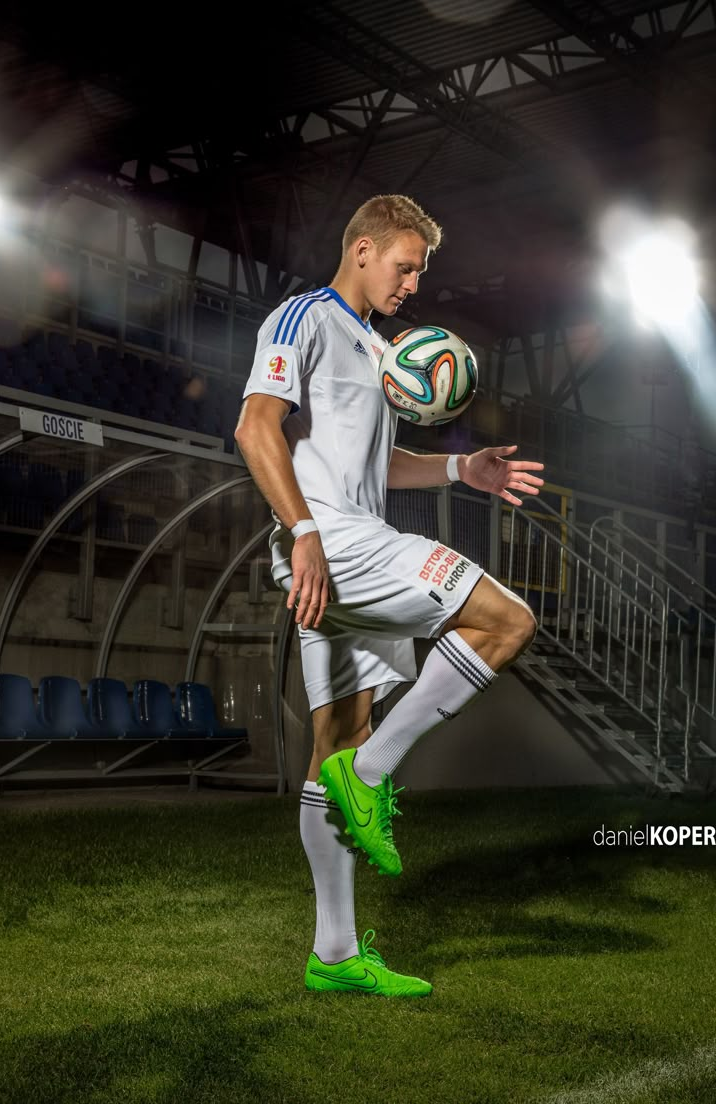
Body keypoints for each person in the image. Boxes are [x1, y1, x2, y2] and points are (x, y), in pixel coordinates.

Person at [235, 194, 544, 998]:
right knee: (507, 621)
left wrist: (458, 468)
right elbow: (255, 427)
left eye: (419, 272)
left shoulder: (378, 346)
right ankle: (373, 777)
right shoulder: (302, 317)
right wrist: (302, 531)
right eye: (405, 267)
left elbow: (374, 458)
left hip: (345, 539)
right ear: (364, 249)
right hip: (330, 542)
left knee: (335, 739)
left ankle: (333, 955)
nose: (412, 283)